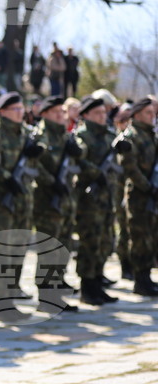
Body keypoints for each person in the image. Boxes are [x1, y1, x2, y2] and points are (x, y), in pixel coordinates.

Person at [0, 92, 45, 308]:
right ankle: (1, 296)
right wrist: (7, 178)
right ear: (2, 111)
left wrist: (36, 153)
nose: (20, 112)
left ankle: (12, 288)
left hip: (23, 197)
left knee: (19, 245)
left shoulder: (26, 132)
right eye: (15, 109)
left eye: (22, 108)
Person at [31, 96, 82, 310]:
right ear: (44, 113)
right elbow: (34, 165)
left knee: (63, 245)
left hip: (64, 199)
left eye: (62, 112)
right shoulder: (39, 135)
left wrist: (77, 150)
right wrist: (51, 181)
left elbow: (79, 155)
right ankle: (46, 296)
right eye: (56, 112)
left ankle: (56, 290)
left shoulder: (65, 135)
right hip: (47, 200)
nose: (61, 116)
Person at [73, 97, 120, 305]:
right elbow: (79, 159)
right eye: (98, 113)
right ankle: (87, 287)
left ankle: (98, 283)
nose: (103, 116)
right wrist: (94, 172)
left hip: (107, 195)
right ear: (86, 115)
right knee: (89, 240)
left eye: (104, 113)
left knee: (103, 240)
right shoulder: (82, 136)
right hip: (89, 197)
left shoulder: (110, 135)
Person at [116, 97, 158, 296]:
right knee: (140, 237)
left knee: (151, 235)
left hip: (152, 192)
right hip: (139, 194)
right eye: (148, 113)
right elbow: (129, 167)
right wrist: (147, 187)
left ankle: (147, 277)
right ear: (138, 114)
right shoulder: (132, 135)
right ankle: (140, 280)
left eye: (153, 113)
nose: (153, 116)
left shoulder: (150, 135)